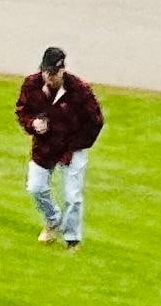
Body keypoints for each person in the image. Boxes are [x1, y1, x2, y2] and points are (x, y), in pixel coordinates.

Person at [15, 44, 103, 249]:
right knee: (35, 187)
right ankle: (53, 219)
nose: (49, 77)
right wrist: (32, 124)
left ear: (62, 70)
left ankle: (72, 240)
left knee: (73, 196)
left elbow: (96, 121)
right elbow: (21, 111)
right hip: (44, 146)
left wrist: (76, 144)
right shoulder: (31, 85)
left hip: (72, 147)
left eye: (54, 73)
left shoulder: (79, 90)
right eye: (46, 72)